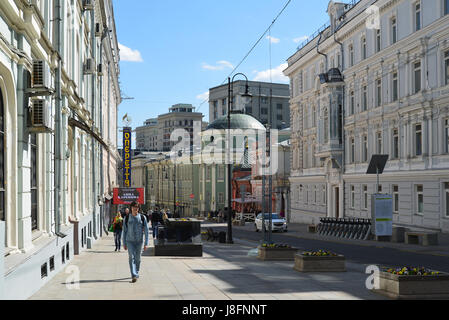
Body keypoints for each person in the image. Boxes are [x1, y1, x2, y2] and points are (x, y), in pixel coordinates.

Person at [123, 201, 149, 283]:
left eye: (137, 207)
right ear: (131, 208)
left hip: (139, 241)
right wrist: (124, 243)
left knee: (138, 259)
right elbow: (124, 231)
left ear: (138, 208)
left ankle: (136, 272)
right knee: (131, 257)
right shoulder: (127, 218)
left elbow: (147, 231)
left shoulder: (142, 217)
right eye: (134, 207)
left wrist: (146, 243)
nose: (135, 209)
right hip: (129, 241)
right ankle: (133, 275)